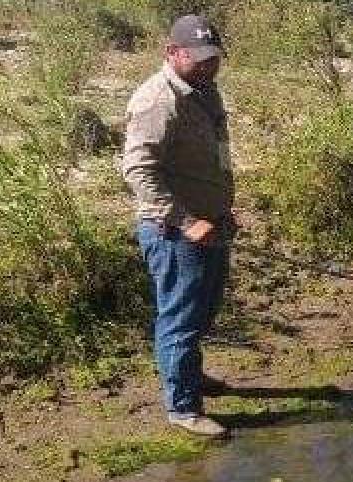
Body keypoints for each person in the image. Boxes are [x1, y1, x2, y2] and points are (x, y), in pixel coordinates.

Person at [122, 15, 235, 437]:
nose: (209, 65)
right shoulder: (157, 99)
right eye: (199, 58)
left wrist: (222, 209)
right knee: (181, 318)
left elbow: (215, 156)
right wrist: (187, 221)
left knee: (204, 310)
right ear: (172, 53)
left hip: (213, 223)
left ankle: (189, 374)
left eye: (214, 58)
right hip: (174, 232)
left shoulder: (206, 90)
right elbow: (138, 172)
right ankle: (183, 408)